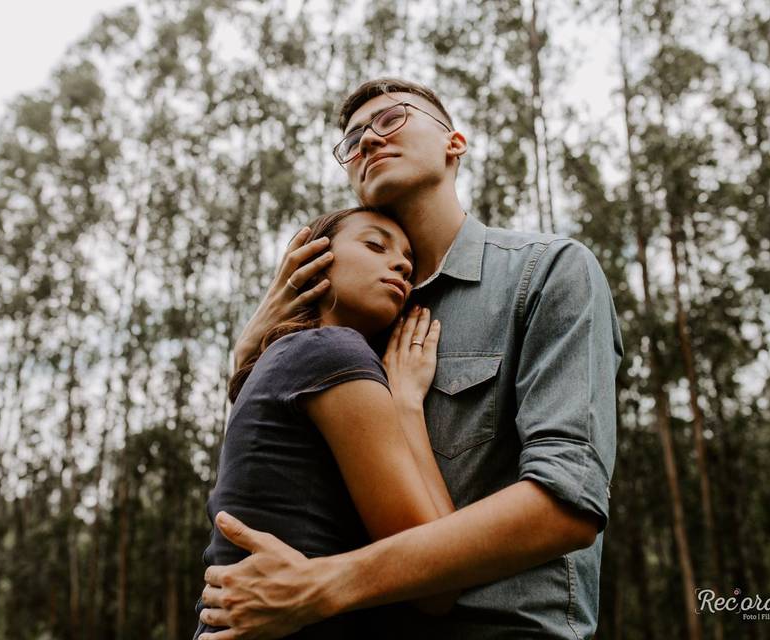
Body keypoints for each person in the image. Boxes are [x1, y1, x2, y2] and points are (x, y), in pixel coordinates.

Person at [199, 78, 624, 639]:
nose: (368, 141)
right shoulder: (355, 321)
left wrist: (327, 582)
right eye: (352, 140)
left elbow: (566, 505)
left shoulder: (546, 274)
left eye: (392, 119)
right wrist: (250, 353)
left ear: (455, 143)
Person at [194, 206, 461, 639]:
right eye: (375, 245)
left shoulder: (284, 359)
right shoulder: (331, 353)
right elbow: (438, 583)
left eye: (409, 264)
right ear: (315, 260)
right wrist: (408, 404)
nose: (401, 265)